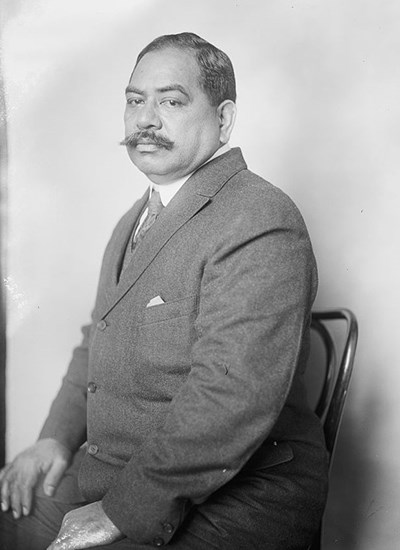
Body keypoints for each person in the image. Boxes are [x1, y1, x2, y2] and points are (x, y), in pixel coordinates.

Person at [0, 32, 328, 550]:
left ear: (223, 120)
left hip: (237, 500)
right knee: (9, 512)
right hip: (121, 472)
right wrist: (54, 438)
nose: (145, 119)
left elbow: (231, 398)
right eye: (135, 101)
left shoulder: (259, 218)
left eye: (171, 101)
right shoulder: (133, 221)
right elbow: (97, 339)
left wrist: (120, 512)